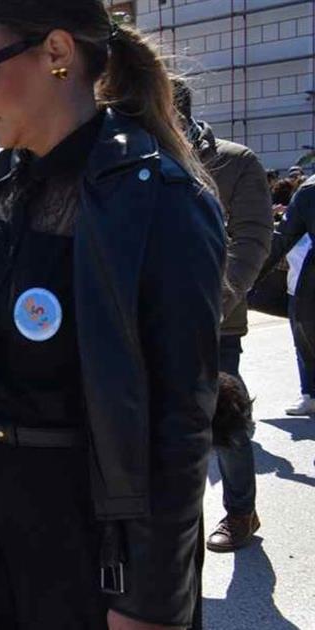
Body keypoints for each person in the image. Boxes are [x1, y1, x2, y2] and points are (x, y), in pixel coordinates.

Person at [0, 3, 226, 629]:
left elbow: (179, 422)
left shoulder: (159, 199)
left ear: (58, 54)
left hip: (81, 537)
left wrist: (152, 603)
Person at [173, 81, 275, 554]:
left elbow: (253, 240)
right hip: (149, 320)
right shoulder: (134, 161)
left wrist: (211, 303)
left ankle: (240, 512)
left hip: (214, 321)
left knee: (224, 420)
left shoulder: (235, 162)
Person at [263, 175, 315, 416]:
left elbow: (280, 241)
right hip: (304, 289)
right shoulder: (308, 191)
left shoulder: (308, 191)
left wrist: (243, 278)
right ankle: (309, 394)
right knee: (303, 342)